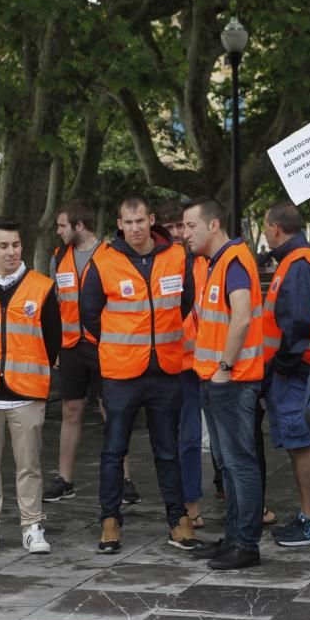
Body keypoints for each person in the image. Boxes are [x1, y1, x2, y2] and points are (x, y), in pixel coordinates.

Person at [80, 196, 200, 555]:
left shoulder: (177, 257)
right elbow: (90, 314)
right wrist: (124, 344)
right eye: (127, 222)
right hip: (120, 373)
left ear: (151, 220)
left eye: (140, 221)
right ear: (119, 224)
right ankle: (110, 520)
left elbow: (183, 304)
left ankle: (178, 521)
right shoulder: (103, 260)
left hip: (165, 369)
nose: (134, 228)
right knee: (114, 450)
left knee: (168, 450)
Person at [0, 217, 60, 556]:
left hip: (27, 391)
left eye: (16, 245)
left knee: (29, 466)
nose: (11, 252)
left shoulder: (42, 287)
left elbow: (53, 340)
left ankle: (32, 525)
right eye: (3, 246)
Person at [183, 198, 265, 570]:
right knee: (228, 465)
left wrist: (224, 366)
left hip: (231, 379)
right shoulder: (214, 263)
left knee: (238, 463)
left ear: (213, 225)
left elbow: (242, 316)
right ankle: (233, 538)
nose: (185, 234)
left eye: (190, 226)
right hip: (217, 378)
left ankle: (245, 544)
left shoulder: (233, 260)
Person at [260, 201, 310, 549]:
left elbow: (297, 322)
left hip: (298, 369)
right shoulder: (296, 261)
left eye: (264, 225)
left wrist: (283, 366)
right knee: (298, 446)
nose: (263, 231)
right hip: (299, 367)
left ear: (275, 227)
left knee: (302, 446)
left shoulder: (299, 264)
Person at [42, 202, 127, 503]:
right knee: (71, 410)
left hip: (104, 344)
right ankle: (64, 479)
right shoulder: (59, 257)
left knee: (112, 409)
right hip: (70, 346)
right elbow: (55, 302)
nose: (58, 231)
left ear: (79, 225)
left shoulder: (112, 255)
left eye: (62, 226)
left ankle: (124, 479)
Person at [157, 200, 207, 528]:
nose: (178, 233)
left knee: (193, 439)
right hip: (166, 363)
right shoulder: (160, 264)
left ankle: (194, 502)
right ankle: (183, 503)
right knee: (173, 440)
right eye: (172, 227)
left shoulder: (205, 263)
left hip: (201, 364)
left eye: (183, 226)